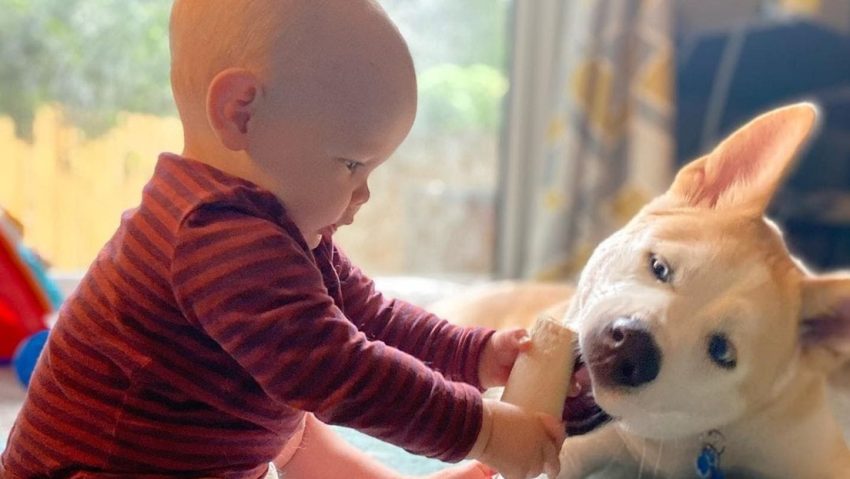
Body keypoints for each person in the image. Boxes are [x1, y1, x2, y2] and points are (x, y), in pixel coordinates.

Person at [0, 1, 567, 478]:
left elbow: (370, 317)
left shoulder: (274, 225)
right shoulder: (214, 236)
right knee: (306, 392)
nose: (364, 194)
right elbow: (341, 371)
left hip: (200, 439)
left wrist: (473, 355)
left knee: (293, 427)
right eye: (351, 164)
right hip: (109, 468)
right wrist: (482, 430)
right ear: (241, 114)